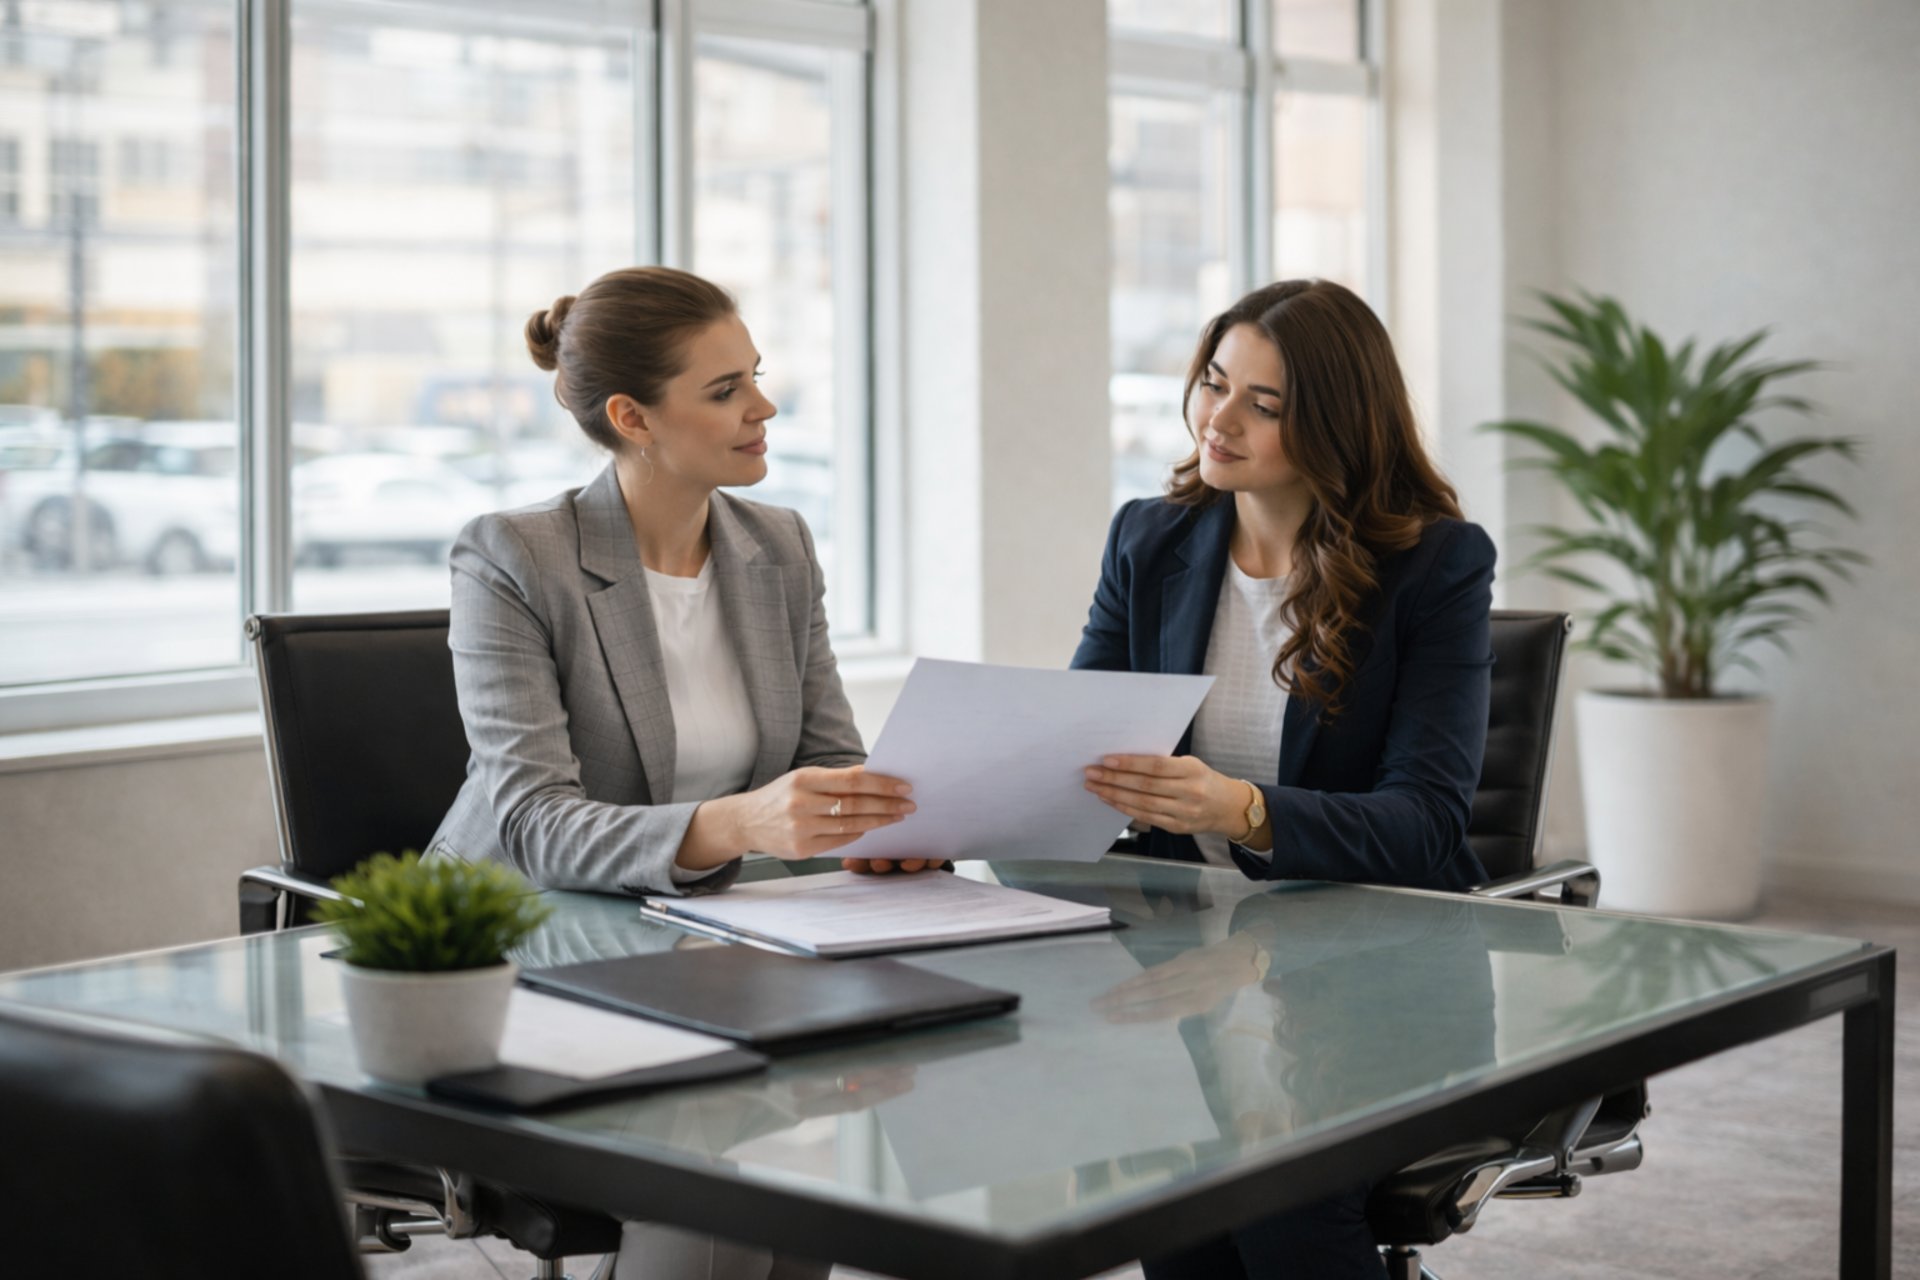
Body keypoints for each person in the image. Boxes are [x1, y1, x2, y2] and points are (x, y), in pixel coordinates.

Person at [426, 265, 920, 1279]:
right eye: (726, 388)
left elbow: (827, 750)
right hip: (524, 943)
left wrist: (880, 820)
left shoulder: (775, 545)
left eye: (758, 377)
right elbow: (536, 823)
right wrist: (742, 824)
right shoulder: (514, 558)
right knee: (723, 1171)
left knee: (827, 1139)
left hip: (710, 947)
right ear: (631, 416)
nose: (764, 407)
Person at [1071, 278, 1497, 1278]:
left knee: (1280, 1207)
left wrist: (1247, 809)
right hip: (1189, 959)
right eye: (1214, 383)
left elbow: (1426, 821)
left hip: (1374, 971)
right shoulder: (1152, 540)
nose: (1219, 418)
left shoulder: (1434, 565)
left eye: (1264, 403)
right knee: (1168, 1209)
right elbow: (1080, 749)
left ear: (1339, 422)